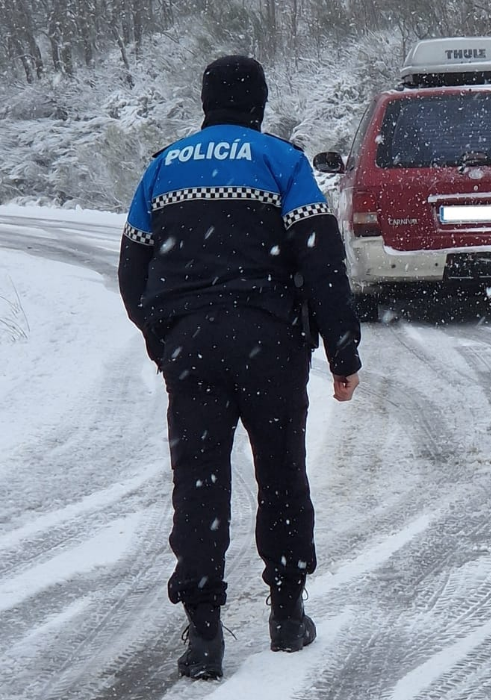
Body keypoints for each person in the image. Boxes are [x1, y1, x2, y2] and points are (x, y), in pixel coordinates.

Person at [117, 55, 362, 680]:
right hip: (270, 342)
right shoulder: (281, 162)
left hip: (191, 346)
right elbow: (322, 262)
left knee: (198, 483)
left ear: (205, 102)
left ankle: (203, 634)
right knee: (280, 472)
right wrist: (342, 353)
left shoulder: (163, 168)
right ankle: (285, 614)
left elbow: (132, 268)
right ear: (259, 101)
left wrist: (162, 337)